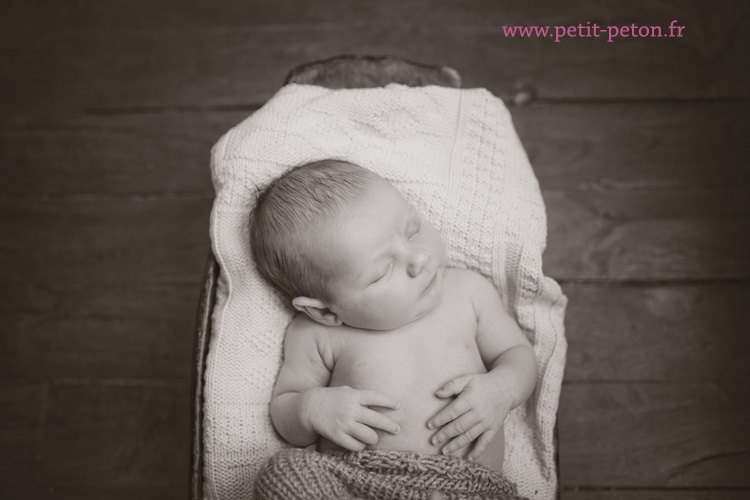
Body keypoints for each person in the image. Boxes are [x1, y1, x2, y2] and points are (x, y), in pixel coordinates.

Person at [250, 159, 536, 499]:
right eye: (383, 271)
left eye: (412, 229)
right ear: (326, 311)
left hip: (471, 485)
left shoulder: (468, 292)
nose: (418, 258)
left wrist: (501, 389)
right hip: (362, 483)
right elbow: (285, 412)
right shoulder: (316, 334)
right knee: (282, 475)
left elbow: (517, 355)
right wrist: (311, 409)